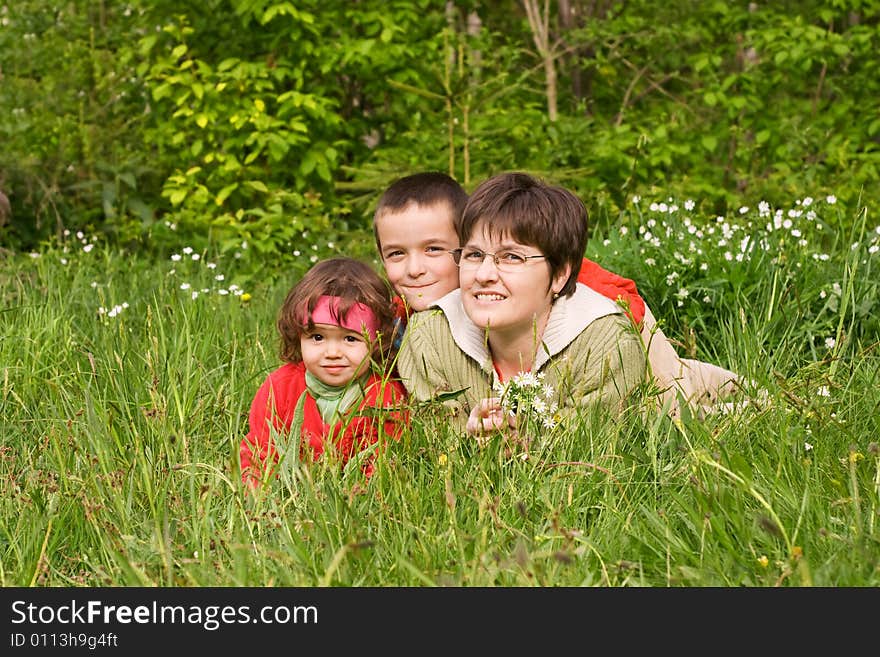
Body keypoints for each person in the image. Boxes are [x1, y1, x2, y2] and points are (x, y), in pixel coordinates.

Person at [374, 172, 743, 419]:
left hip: (627, 325)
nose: (415, 269)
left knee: (672, 401)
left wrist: (621, 330)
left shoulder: (586, 306)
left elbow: (607, 305)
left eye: (434, 250)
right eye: (396, 254)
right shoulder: (420, 322)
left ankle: (723, 389)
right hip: (518, 353)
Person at [395, 172, 647, 435]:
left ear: (560, 274)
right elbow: (439, 444)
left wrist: (524, 443)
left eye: (512, 257)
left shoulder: (608, 344)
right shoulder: (428, 335)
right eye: (474, 254)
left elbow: (593, 456)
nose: (483, 274)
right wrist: (470, 441)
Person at [239, 257, 408, 489]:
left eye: (350, 338)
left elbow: (384, 461)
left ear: (377, 341)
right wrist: (259, 494)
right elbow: (260, 450)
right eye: (317, 337)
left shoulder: (384, 397)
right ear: (298, 335)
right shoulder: (279, 388)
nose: (332, 352)